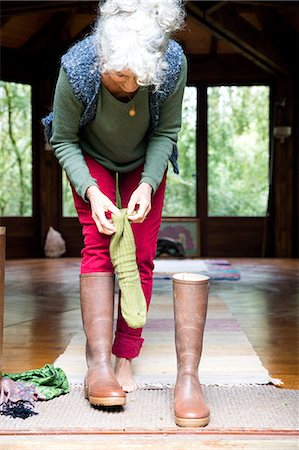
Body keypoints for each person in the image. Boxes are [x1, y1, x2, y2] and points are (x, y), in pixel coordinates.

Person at [48, 0, 187, 408]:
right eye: (121, 76)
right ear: (104, 58)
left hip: (146, 157)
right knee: (99, 247)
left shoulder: (172, 62)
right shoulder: (77, 68)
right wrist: (93, 192)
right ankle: (99, 360)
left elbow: (167, 131)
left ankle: (125, 356)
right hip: (89, 156)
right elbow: (63, 139)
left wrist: (147, 185)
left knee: (140, 253)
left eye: (138, 80)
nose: (129, 88)